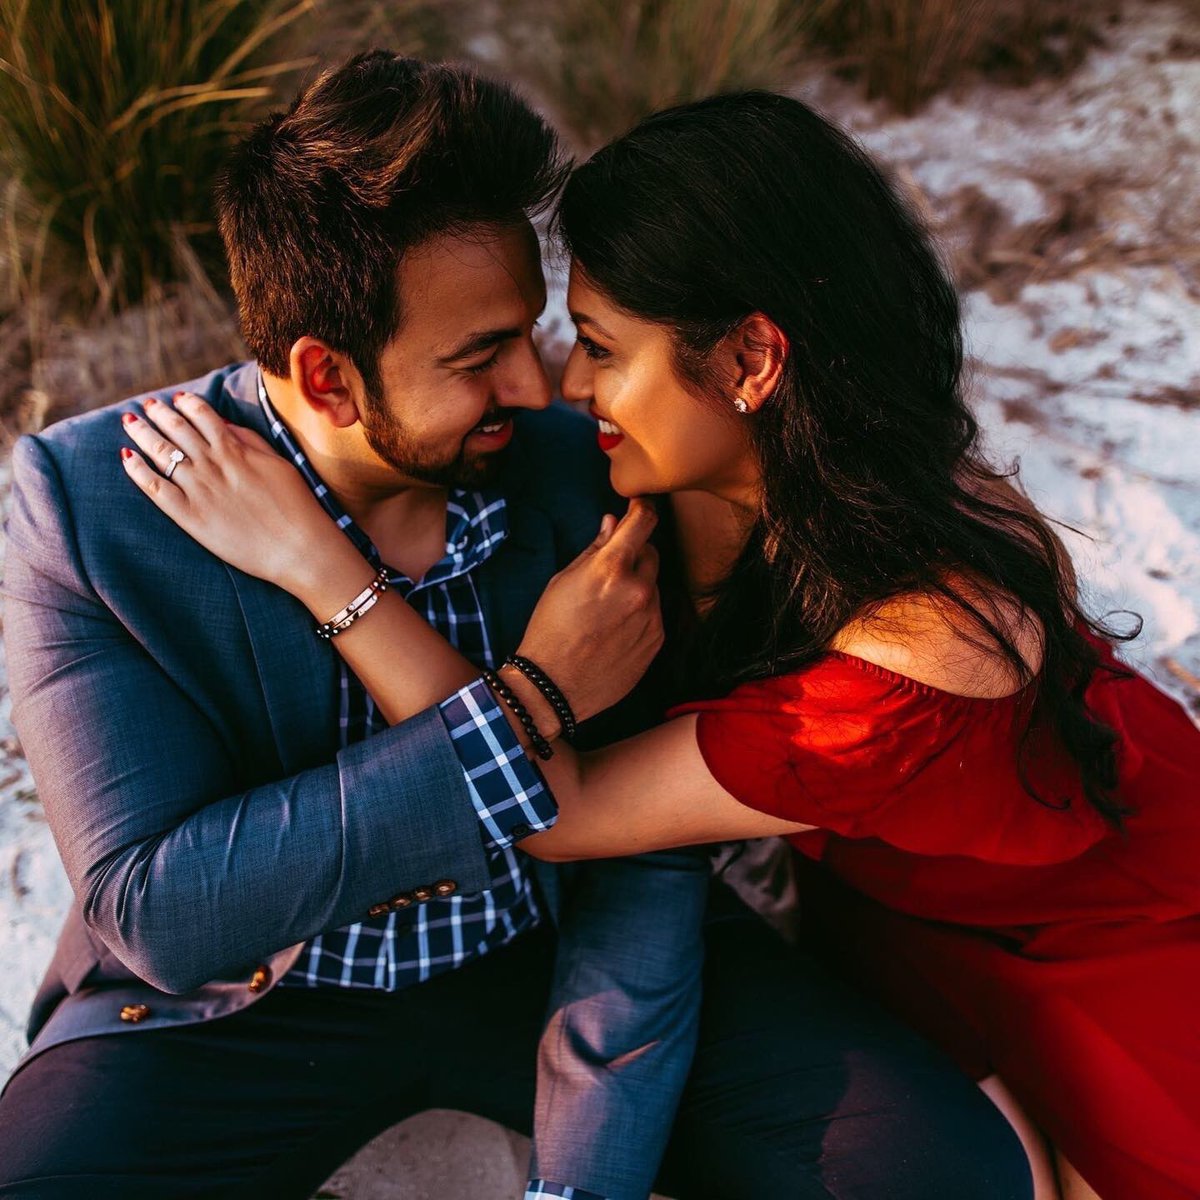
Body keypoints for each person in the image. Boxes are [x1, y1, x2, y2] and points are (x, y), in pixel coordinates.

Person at [125, 89, 1200, 1200]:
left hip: (1095, 922)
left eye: (599, 347)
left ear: (749, 363)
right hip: (881, 908)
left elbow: (565, 813)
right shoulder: (704, 483)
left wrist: (320, 567)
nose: (563, 387)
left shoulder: (927, 644)